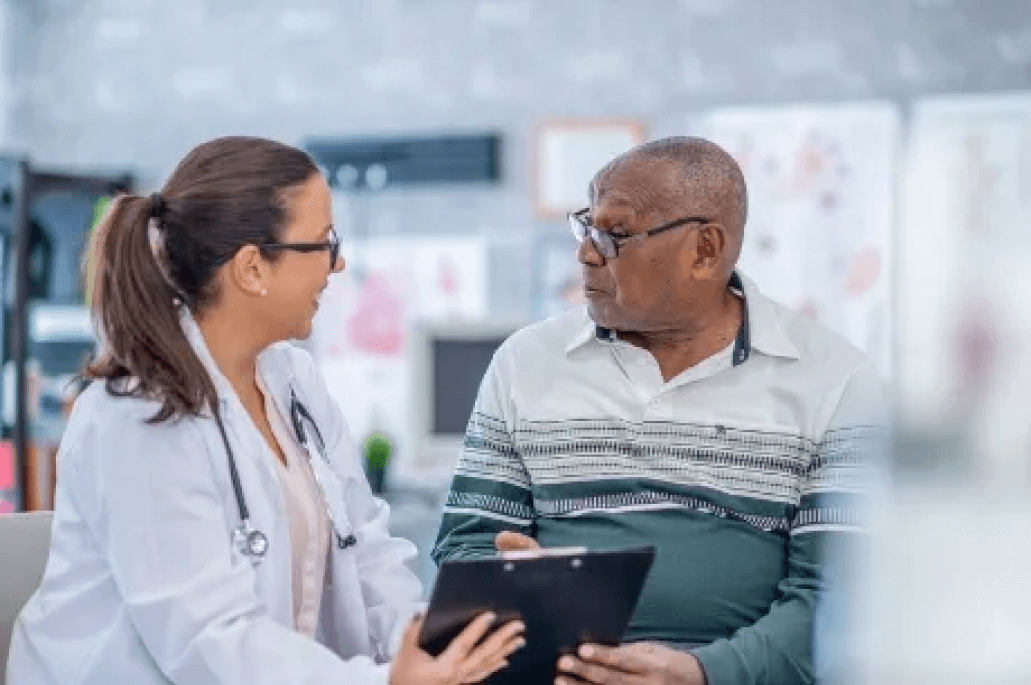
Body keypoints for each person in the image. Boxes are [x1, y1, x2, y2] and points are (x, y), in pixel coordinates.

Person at [7, 136, 524, 685]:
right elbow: (206, 638)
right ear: (252, 268)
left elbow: (367, 546)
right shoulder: (137, 415)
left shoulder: (293, 382)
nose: (339, 262)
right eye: (324, 243)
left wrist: (427, 645)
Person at [433, 137, 885, 685]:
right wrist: (523, 598)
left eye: (615, 234)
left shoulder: (837, 381)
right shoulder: (525, 362)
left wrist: (702, 673)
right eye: (586, 225)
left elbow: (839, 600)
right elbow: (467, 545)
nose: (585, 252)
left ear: (705, 249)